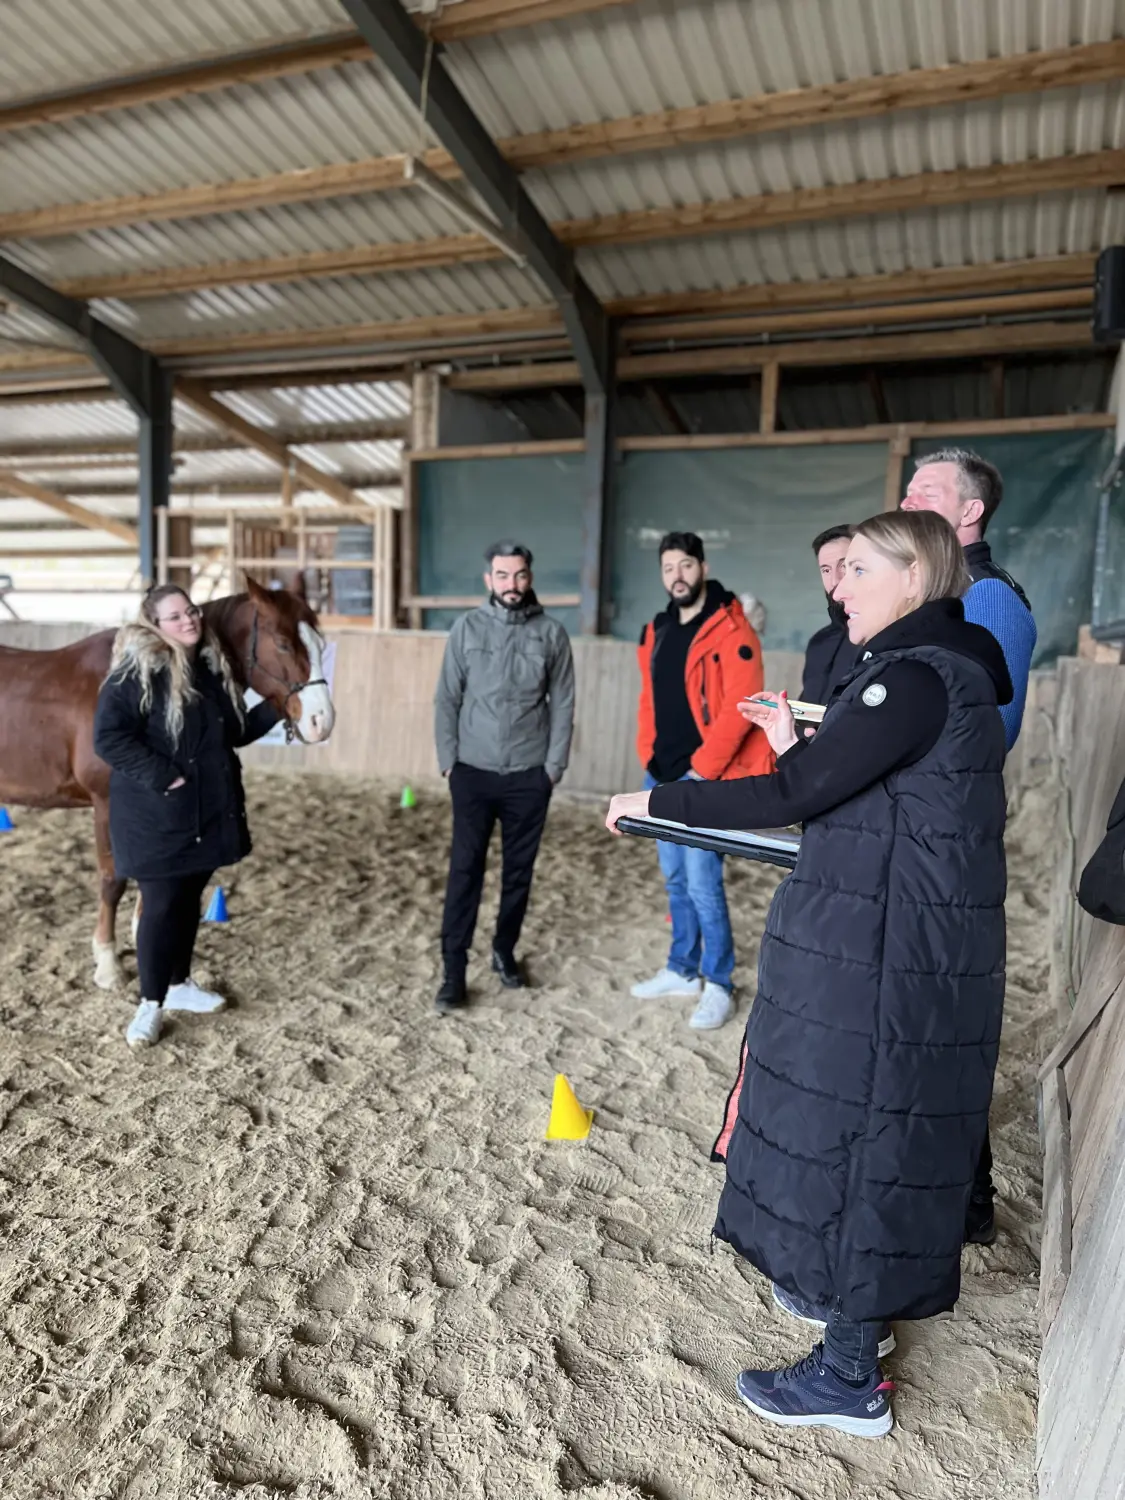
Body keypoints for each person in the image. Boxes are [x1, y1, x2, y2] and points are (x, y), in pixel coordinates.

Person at [606, 511, 1011, 1438]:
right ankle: (836, 1307)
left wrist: (655, 802)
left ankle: (846, 1376)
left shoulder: (912, 677)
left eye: (859, 569)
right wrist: (801, 746)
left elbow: (797, 798)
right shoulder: (934, 676)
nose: (840, 586)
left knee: (859, 1133)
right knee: (854, 1127)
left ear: (916, 575)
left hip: (882, 951)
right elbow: (857, 791)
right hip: (886, 937)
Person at [902, 446, 1036, 1244]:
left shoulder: (989, 599)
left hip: (946, 843)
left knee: (941, 1019)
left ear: (968, 511)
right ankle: (963, 1198)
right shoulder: (938, 596)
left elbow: (990, 729)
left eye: (924, 489)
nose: (906, 497)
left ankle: (968, 1205)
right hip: (915, 834)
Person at [93, 585, 282, 1049]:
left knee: (187, 898)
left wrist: (278, 706)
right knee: (159, 906)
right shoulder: (137, 671)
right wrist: (165, 775)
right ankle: (149, 1005)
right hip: (156, 814)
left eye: (191, 612)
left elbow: (231, 732)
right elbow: (109, 738)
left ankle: (179, 985)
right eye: (175, 617)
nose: (189, 621)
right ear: (154, 625)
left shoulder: (207, 670)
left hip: (205, 812)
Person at [631, 531, 772, 1031]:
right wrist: (647, 753)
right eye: (668, 567)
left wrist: (700, 772)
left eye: (686, 565)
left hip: (703, 778)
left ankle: (719, 982)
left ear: (703, 567)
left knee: (702, 884)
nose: (678, 575)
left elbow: (742, 709)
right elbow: (649, 698)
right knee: (674, 879)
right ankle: (682, 969)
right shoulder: (657, 629)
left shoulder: (732, 629)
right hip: (661, 773)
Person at [433, 542, 575, 1015]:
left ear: (529, 577)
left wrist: (553, 768)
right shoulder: (466, 628)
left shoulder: (552, 635)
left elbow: (564, 704)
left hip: (529, 776)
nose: (510, 584)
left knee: (518, 873)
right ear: (488, 579)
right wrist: (449, 761)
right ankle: (453, 970)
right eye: (501, 575)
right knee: (465, 871)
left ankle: (503, 950)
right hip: (472, 772)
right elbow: (446, 698)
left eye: (518, 575)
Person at [800, 524, 857, 705]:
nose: (835, 581)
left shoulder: (881, 641)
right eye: (826, 570)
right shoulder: (819, 643)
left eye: (844, 566)